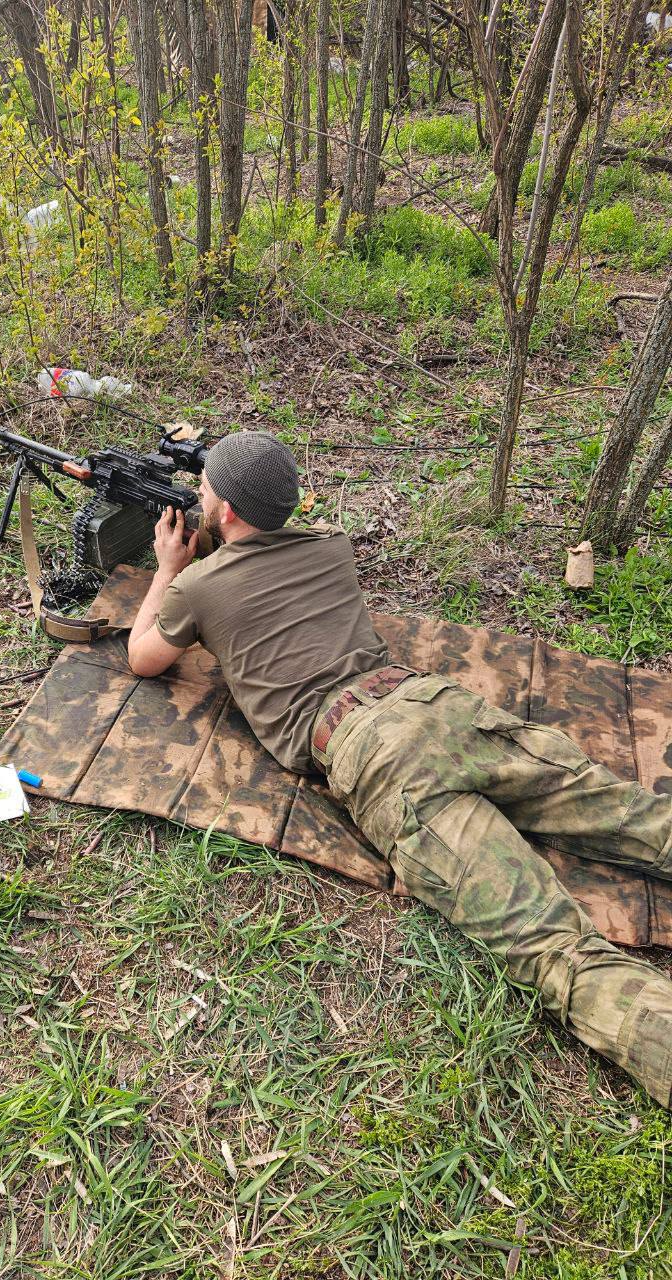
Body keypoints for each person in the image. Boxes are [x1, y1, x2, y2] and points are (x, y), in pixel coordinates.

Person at [127, 430, 672, 1109]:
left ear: (227, 512)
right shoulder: (329, 546)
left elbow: (144, 658)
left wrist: (166, 568)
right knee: (639, 817)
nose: (198, 499)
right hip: (436, 705)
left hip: (375, 754)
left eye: (204, 493)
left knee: (553, 949)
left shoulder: (198, 587)